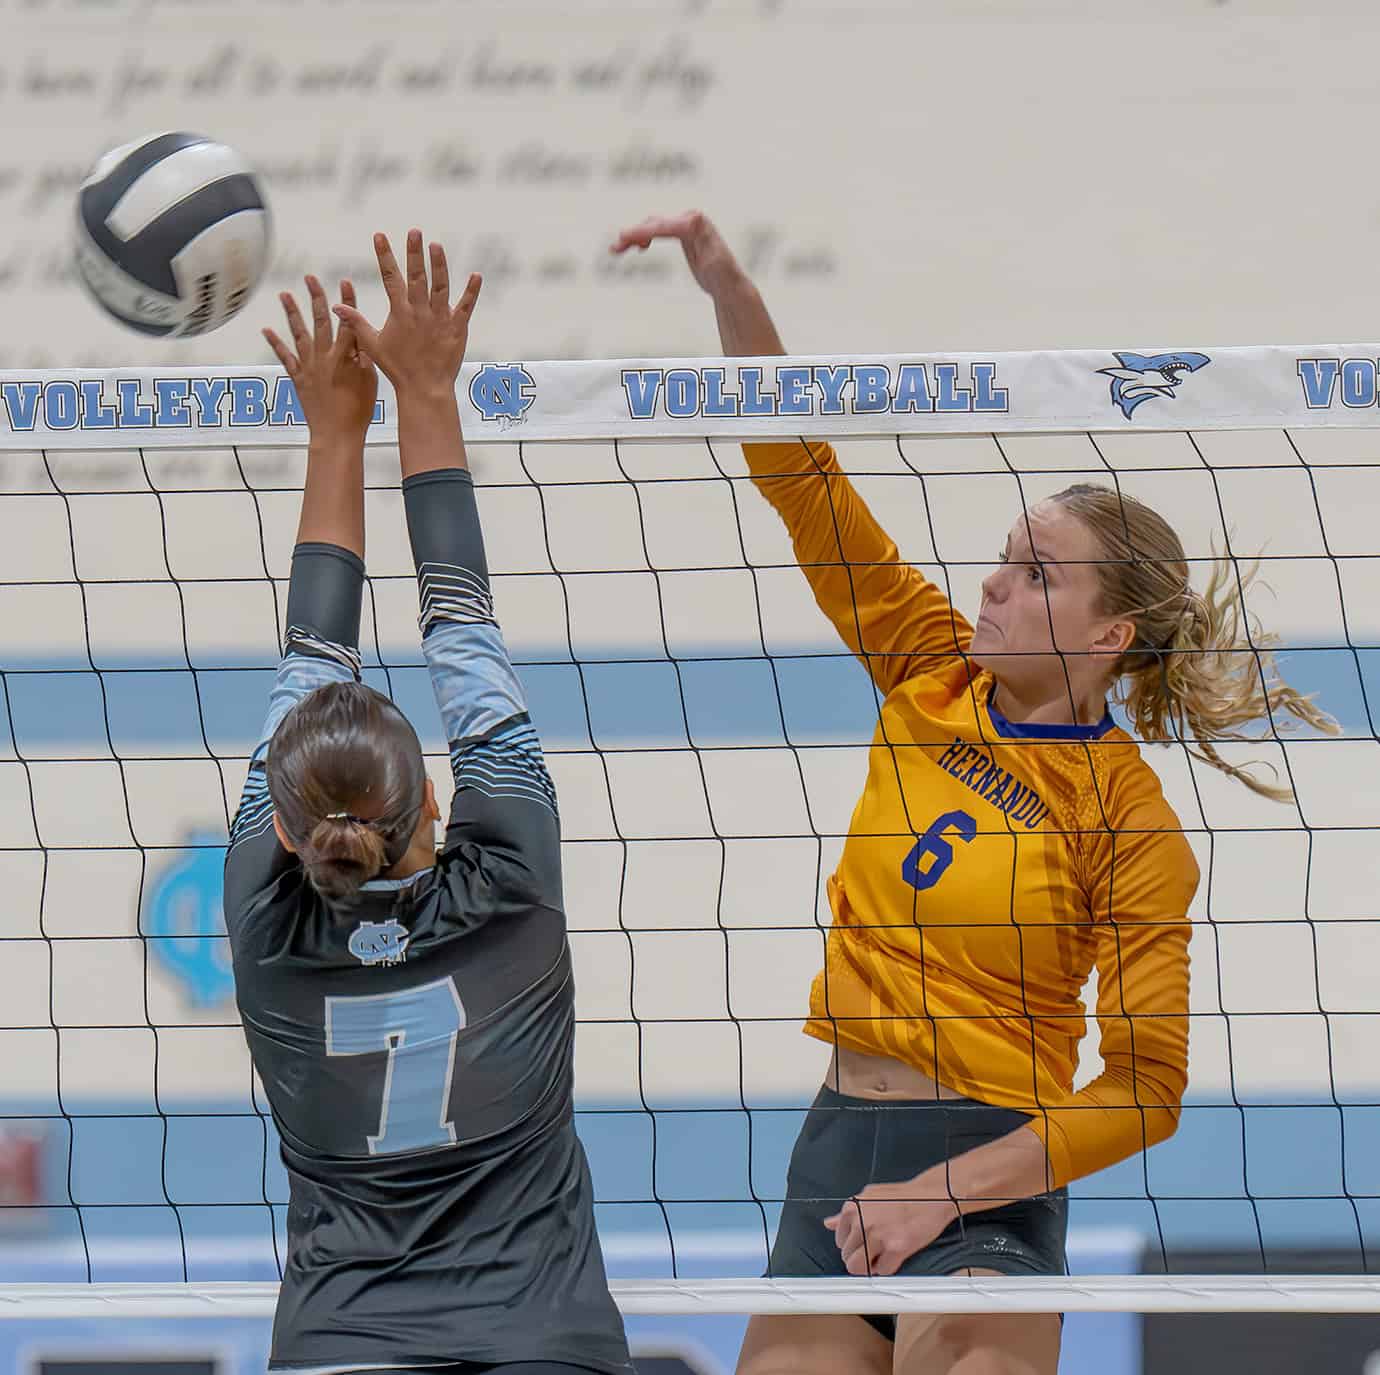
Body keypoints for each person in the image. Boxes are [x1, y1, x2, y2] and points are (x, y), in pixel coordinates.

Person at [610, 211, 1335, 1375]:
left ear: (1111, 632)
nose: (993, 583)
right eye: (1002, 556)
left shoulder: (1131, 822)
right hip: (840, 1143)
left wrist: (941, 1195)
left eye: (1036, 573)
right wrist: (732, 295)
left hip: (989, 1166)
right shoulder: (928, 664)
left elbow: (1148, 1091)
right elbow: (799, 471)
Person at [223, 231, 632, 1375]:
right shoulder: (510, 878)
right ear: (440, 805)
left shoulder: (265, 910)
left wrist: (337, 425)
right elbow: (456, 619)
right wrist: (421, 393)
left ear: (292, 829)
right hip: (543, 1331)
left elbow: (327, 651)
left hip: (342, 1337)